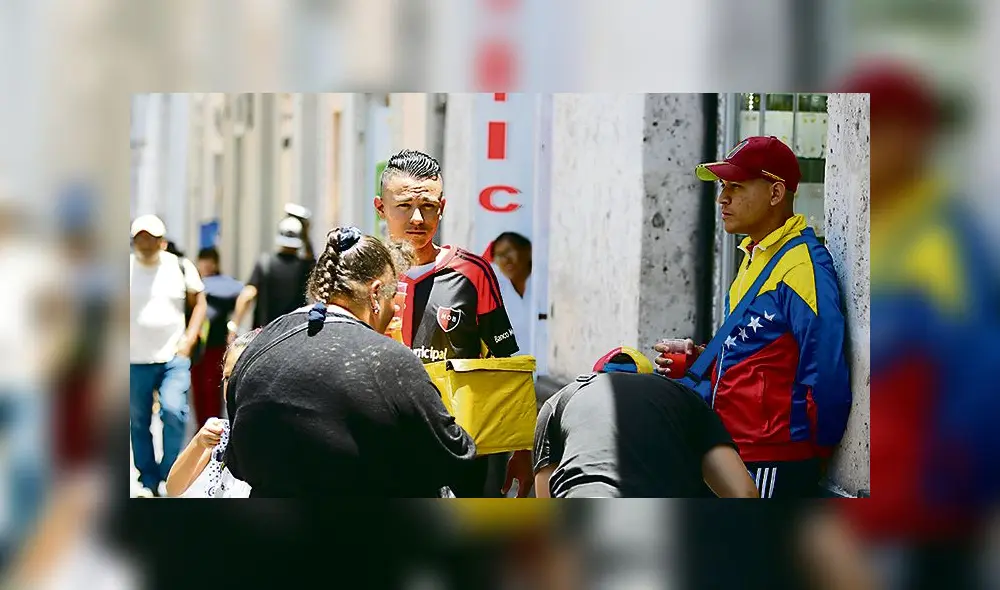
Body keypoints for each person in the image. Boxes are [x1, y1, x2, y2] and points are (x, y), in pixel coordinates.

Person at [654, 136, 852, 498]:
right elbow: (754, 352)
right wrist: (701, 359)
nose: (722, 199)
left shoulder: (802, 265)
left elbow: (827, 376)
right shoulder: (754, 255)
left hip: (772, 461)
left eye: (736, 186)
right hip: (734, 450)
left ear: (776, 194)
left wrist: (809, 455)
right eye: (721, 187)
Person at [225, 227, 478, 497]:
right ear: (376, 293)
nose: (395, 309)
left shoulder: (257, 349)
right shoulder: (388, 360)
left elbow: (237, 461)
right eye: (394, 298)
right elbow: (457, 456)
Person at [374, 149, 533, 498]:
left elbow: (506, 364)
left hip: (455, 450)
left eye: (428, 206)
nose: (417, 217)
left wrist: (522, 449)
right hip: (379, 446)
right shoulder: (367, 272)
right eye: (404, 205)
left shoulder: (473, 272)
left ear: (441, 208)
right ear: (380, 207)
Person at [532, 346, 758, 498]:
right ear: (650, 378)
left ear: (594, 376)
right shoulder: (685, 397)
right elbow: (743, 494)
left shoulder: (559, 400)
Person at [129, 214, 207, 497]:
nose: (145, 243)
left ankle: (169, 473)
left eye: (150, 237)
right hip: (134, 358)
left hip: (172, 357)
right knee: (138, 420)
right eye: (139, 237)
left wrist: (189, 338)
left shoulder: (180, 266)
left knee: (174, 412)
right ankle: (148, 478)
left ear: (162, 241)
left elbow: (199, 301)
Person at [165, 329, 258, 497]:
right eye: (228, 378)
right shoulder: (220, 434)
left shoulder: (277, 435)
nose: (233, 385)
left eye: (243, 375)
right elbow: (173, 488)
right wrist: (198, 443)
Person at [189, 247, 244, 427]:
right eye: (203, 261)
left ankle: (213, 428)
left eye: (209, 261)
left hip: (215, 346)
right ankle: (200, 430)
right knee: (198, 391)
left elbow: (241, 290)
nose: (206, 265)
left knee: (213, 389)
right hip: (197, 347)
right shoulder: (194, 284)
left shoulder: (221, 284)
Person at [231, 215, 316, 331]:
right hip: (294, 332)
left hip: (266, 334)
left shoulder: (265, 263)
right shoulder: (304, 267)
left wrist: (234, 325)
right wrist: (305, 234)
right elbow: (311, 259)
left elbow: (247, 295)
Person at [490, 232, 533, 359]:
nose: (506, 260)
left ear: (527, 251)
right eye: (499, 255)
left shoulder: (544, 287)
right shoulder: (498, 291)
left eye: (509, 251)